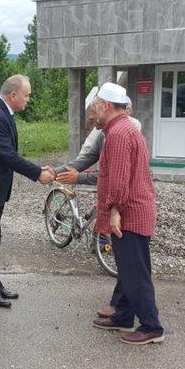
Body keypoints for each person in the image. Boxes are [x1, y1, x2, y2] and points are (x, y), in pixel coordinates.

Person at [0, 74, 55, 308]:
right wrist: (38, 173)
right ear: (13, 95)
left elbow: (6, 154)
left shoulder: (3, 111)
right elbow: (8, 155)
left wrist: (37, 169)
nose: (28, 100)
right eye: (26, 95)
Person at [90, 82, 164, 345]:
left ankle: (151, 326)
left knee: (135, 273)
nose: (94, 111)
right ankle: (122, 315)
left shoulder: (119, 134)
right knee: (129, 268)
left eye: (96, 105)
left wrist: (114, 211)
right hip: (134, 209)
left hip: (128, 213)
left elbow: (119, 180)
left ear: (106, 106)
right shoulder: (126, 128)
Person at [54, 91, 139, 319]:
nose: (92, 118)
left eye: (94, 112)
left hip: (125, 203)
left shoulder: (122, 132)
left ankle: (146, 322)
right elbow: (88, 158)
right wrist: (57, 171)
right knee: (129, 262)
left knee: (131, 264)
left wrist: (113, 209)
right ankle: (122, 309)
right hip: (119, 198)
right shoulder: (108, 131)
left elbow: (114, 176)